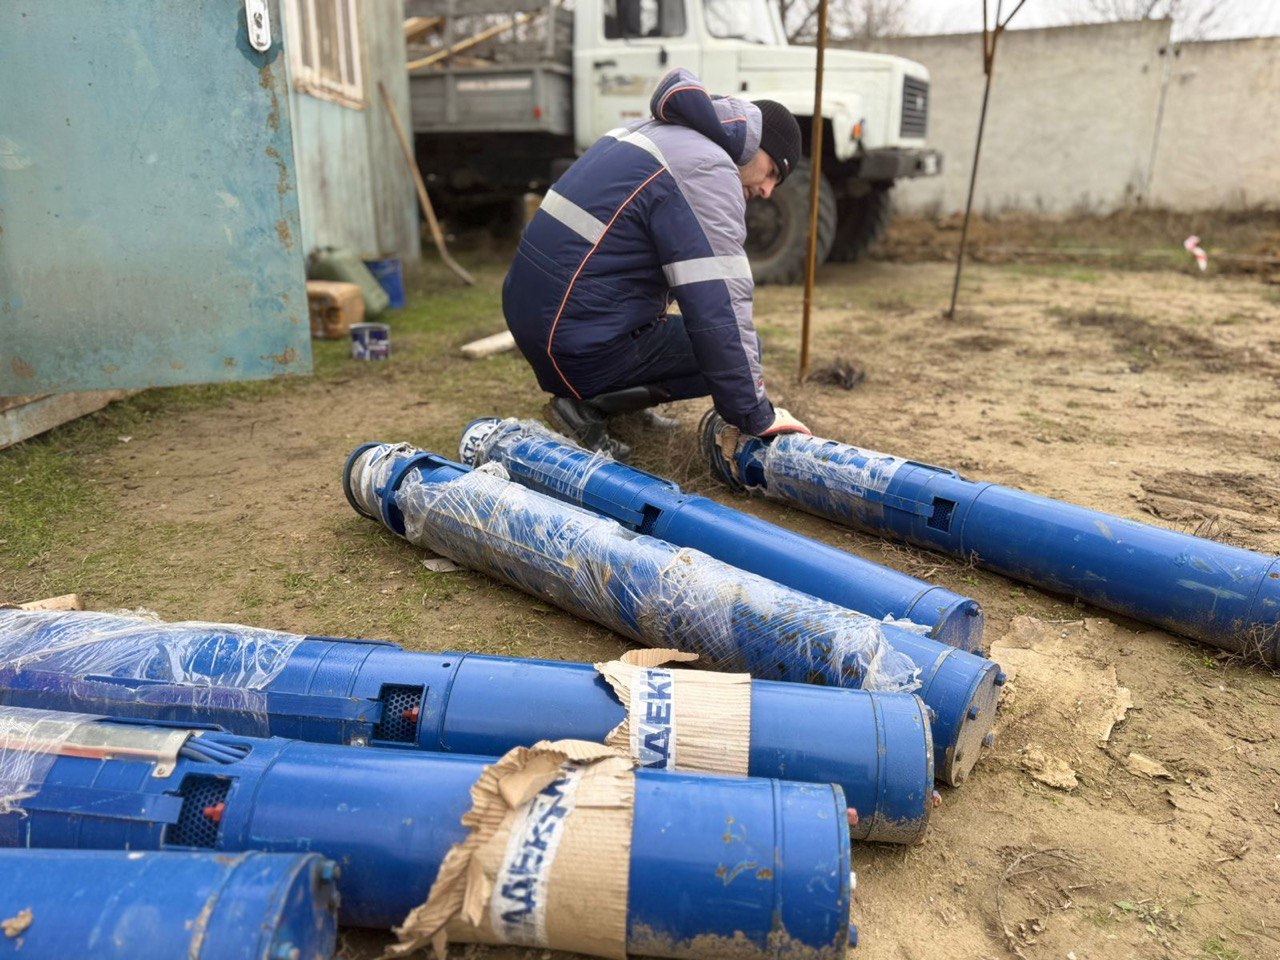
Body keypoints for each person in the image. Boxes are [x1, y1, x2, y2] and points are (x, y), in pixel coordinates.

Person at [502, 67, 810, 460]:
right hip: (571, 339)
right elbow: (720, 308)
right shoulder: (709, 169)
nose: (767, 190)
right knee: (729, 349)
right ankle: (586, 407)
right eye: (772, 172)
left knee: (665, 318)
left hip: (534, 317)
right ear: (754, 146)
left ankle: (621, 403)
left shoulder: (651, 131)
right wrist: (754, 416)